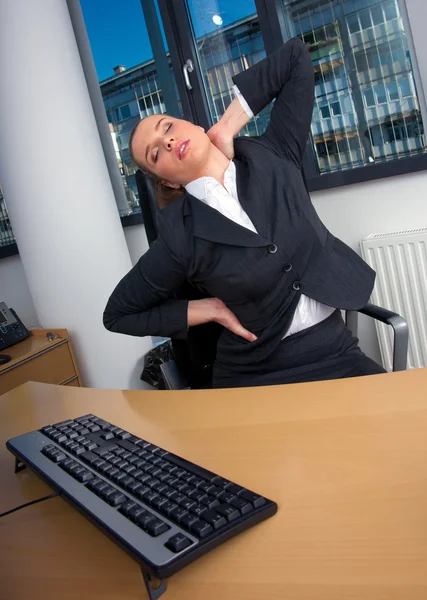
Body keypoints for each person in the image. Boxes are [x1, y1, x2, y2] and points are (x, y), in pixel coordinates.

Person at [103, 37, 386, 388]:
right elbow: (117, 314)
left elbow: (296, 58)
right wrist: (208, 310)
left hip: (334, 350)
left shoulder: (274, 153)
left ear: (191, 125)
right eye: (155, 153)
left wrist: (227, 126)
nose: (169, 142)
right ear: (167, 183)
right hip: (258, 373)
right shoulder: (180, 235)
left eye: (168, 128)